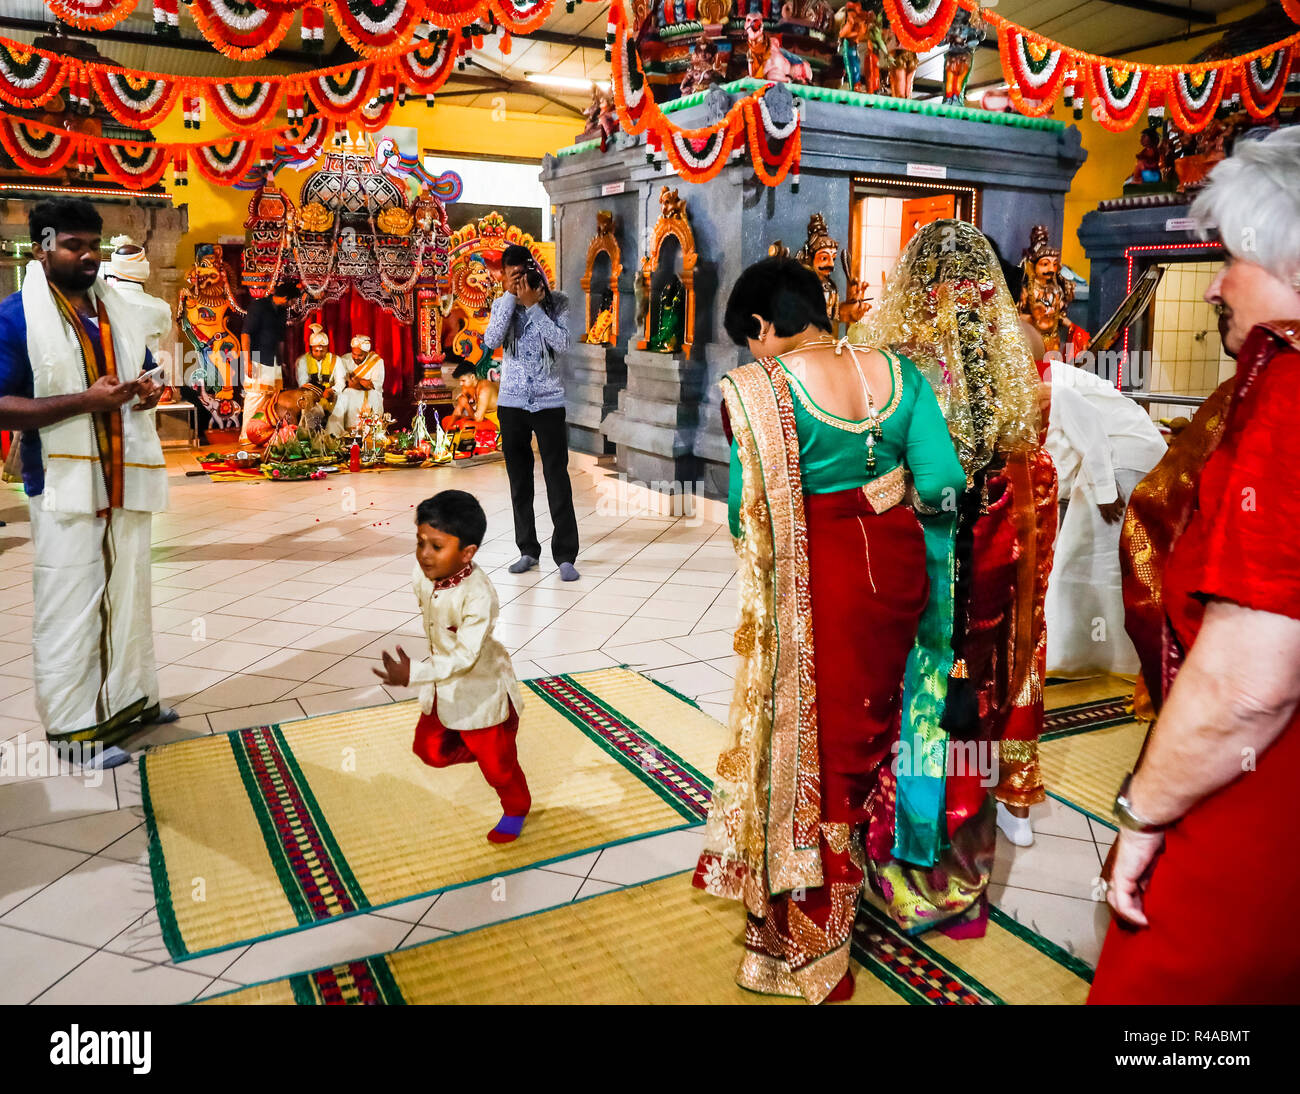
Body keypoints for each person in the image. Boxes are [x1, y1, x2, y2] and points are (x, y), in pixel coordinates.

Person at [692, 257, 966, 1004]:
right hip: (898, 572)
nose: (753, 357)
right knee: (868, 727)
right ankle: (875, 879)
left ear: (760, 326)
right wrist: (891, 491)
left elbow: (745, 520)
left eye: (750, 341)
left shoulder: (763, 391)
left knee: (816, 749)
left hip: (824, 587)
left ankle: (816, 950)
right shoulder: (901, 373)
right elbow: (944, 484)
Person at [1089, 127, 1300, 1004]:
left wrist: (1145, 812)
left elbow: (1251, 686)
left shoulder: (1288, 401)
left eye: (1231, 259)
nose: (1214, 282)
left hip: (1261, 793)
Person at [0, 198, 176, 765]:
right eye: (74, 246)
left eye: (94, 247)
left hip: (124, 479)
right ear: (43, 247)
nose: (89, 258)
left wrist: (149, 390)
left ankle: (133, 703)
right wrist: (86, 401)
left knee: (129, 594)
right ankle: (73, 732)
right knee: (71, 603)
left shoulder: (116, 310)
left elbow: (145, 369)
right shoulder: (16, 317)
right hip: (63, 487)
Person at [372, 490, 531, 844]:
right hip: (443, 686)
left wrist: (413, 673)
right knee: (428, 750)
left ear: (467, 553)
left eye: (436, 546)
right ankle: (485, 748)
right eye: (420, 542)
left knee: (498, 769)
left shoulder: (479, 596)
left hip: (480, 691)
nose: (424, 554)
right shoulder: (423, 573)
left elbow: (465, 658)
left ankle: (516, 806)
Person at [1041, 362, 1167, 676]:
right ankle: (1094, 655)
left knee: (1090, 560)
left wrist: (1105, 490)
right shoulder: (1053, 377)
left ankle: (1086, 657)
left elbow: (1092, 435)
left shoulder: (1050, 387)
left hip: (1120, 460)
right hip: (1123, 458)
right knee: (1097, 562)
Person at [484, 244, 579, 581]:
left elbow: (564, 344)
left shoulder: (559, 303)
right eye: (512, 277)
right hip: (511, 403)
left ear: (532, 268)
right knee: (519, 481)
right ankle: (527, 549)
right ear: (504, 276)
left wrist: (535, 308)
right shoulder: (501, 304)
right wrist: (511, 300)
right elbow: (491, 339)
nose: (518, 281)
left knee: (557, 478)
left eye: (522, 274)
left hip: (549, 402)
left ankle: (566, 555)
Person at [329, 333, 385, 434]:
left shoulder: (377, 361)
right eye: (354, 354)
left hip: (371, 395)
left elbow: (374, 385)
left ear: (367, 353)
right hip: (349, 394)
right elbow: (344, 383)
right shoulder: (345, 359)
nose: (356, 357)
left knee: (369, 394)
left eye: (360, 355)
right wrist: (361, 382)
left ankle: (370, 434)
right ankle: (339, 434)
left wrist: (357, 382)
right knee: (345, 394)